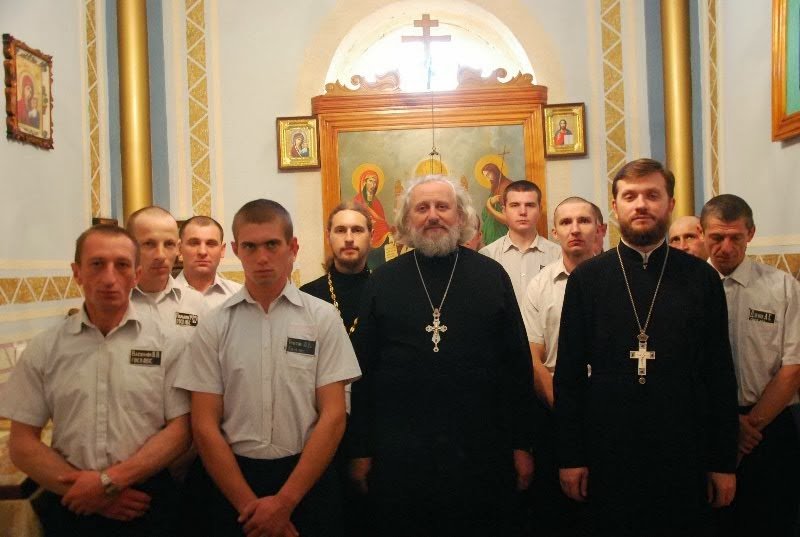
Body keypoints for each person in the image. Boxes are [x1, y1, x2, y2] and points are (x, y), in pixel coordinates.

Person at [554, 158, 739, 536]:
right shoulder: (587, 279)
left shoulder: (702, 279)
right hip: (608, 447)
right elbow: (569, 375)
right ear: (615, 206)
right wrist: (571, 456)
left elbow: (719, 373)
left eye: (652, 195)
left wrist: (723, 461)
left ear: (670, 204)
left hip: (683, 445)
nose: (641, 205)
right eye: (630, 196)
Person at [348, 176, 536, 537]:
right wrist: (360, 449)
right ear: (406, 221)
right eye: (422, 208)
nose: (433, 215)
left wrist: (521, 445)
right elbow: (363, 373)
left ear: (460, 216)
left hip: (480, 447)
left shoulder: (491, 276)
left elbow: (516, 368)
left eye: (442, 207)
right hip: (400, 450)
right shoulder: (383, 280)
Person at [174, 199, 362, 537]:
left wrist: (284, 503)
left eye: (272, 245)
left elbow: (333, 416)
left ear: (292, 247)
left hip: (306, 479)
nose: (261, 257)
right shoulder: (215, 325)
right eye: (250, 246)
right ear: (236, 250)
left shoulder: (322, 318)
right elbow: (204, 425)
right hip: (233, 482)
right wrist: (250, 507)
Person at [0, 225, 191, 536]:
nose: (109, 277)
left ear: (136, 274)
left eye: (122, 265)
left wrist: (109, 482)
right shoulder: (46, 348)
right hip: (72, 499)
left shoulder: (169, 343)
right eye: (97, 264)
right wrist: (88, 493)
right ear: (77, 272)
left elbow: (181, 430)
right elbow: (22, 442)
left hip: (146, 500)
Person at [701, 194, 800, 537]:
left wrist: (746, 429)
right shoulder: (687, 288)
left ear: (751, 234)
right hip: (706, 426)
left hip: (768, 427)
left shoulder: (782, 287)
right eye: (717, 237)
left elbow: (793, 367)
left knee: (771, 522)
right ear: (703, 234)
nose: (726, 248)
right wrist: (727, 425)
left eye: (736, 237)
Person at [523, 196, 599, 537]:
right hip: (554, 406)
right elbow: (532, 355)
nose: (575, 229)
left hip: (607, 407)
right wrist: (564, 405)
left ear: (600, 229)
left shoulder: (618, 279)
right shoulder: (540, 285)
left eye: (583, 220)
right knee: (557, 512)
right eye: (566, 222)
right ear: (554, 232)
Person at [300, 201, 373, 536]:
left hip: (373, 427)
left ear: (371, 236)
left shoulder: (385, 290)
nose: (349, 238)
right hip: (317, 428)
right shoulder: (307, 295)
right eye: (340, 230)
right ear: (328, 236)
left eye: (357, 229)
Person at [126, 207, 205, 341]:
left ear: (178, 248)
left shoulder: (196, 303)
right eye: (149, 244)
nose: (161, 255)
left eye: (169, 244)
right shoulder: (109, 304)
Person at [480, 179, 561, 305]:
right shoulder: (487, 255)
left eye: (530, 205)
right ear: (504, 210)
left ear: (540, 210)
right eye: (515, 205)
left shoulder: (558, 255)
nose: (523, 212)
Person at [175, 215, 242, 309]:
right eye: (194, 243)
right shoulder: (162, 297)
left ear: (222, 250)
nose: (202, 252)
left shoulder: (240, 298)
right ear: (179, 248)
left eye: (211, 244)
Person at [353, 169, 393, 268]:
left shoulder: (376, 201)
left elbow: (381, 220)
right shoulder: (358, 200)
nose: (373, 184)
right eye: (371, 181)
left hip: (379, 232)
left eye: (375, 182)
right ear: (364, 182)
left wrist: (386, 230)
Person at [479, 162, 512, 245]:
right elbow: (486, 213)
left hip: (501, 228)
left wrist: (490, 205)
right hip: (494, 224)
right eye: (485, 176)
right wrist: (491, 202)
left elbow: (507, 215)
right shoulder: (496, 184)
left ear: (495, 172)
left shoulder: (507, 185)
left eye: (488, 175)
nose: (488, 178)